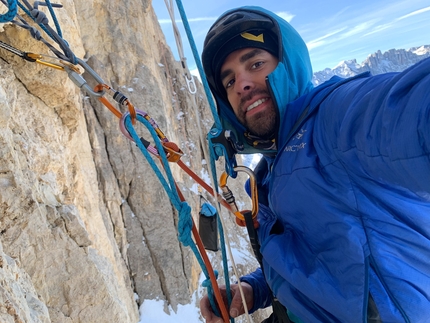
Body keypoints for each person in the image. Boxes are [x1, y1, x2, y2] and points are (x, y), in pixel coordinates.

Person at [199, 5, 430, 323]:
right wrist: (253, 289)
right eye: (229, 82)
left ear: (288, 65)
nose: (242, 84)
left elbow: (407, 112)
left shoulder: (335, 118)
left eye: (255, 63)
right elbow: (315, 260)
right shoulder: (266, 174)